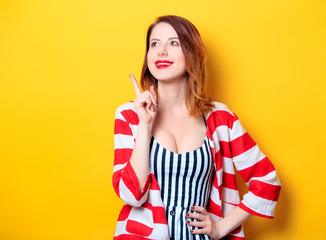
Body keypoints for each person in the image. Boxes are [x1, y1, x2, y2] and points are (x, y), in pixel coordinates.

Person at [113, 15, 281, 240]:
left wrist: (221, 227)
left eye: (174, 43)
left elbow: (266, 181)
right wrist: (145, 126)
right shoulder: (130, 115)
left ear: (192, 53)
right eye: (155, 44)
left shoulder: (221, 119)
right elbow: (132, 195)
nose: (161, 51)